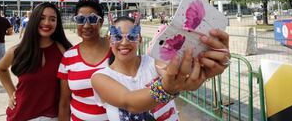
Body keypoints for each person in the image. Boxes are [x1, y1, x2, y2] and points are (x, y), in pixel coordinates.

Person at [91, 15, 230, 120]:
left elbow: (178, 72)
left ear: (139, 39)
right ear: (110, 41)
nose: (124, 42)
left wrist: (206, 63)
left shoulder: (154, 61)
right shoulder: (100, 78)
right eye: (117, 37)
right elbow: (130, 102)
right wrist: (167, 88)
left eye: (132, 36)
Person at [0, 2, 72, 121]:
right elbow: (1, 69)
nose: (47, 23)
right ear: (34, 20)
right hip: (20, 115)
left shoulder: (64, 50)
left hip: (53, 116)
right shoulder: (17, 51)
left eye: (52, 19)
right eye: (42, 18)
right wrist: (11, 92)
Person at [57, 0, 111, 120]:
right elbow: (64, 103)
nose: (86, 25)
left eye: (92, 19)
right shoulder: (68, 57)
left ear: (101, 22)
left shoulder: (115, 50)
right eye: (81, 19)